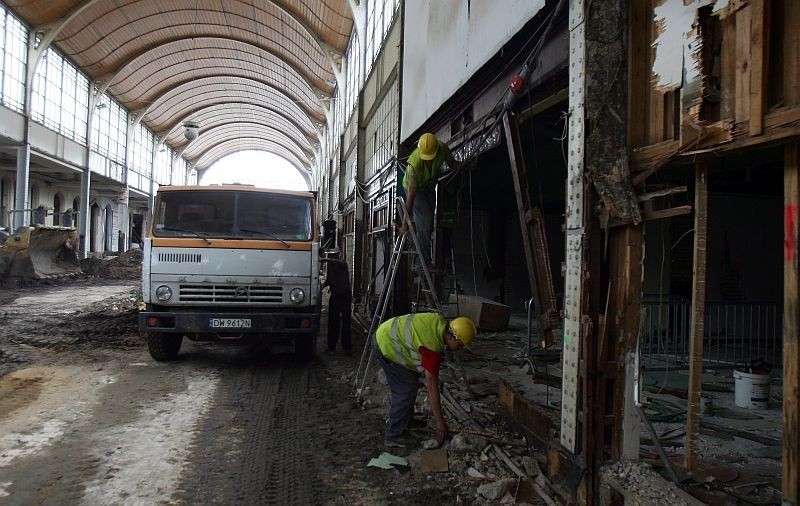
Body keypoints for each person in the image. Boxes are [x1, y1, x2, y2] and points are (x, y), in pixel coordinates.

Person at [375, 312, 477, 448]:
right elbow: (432, 387)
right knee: (405, 389)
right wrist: (440, 422)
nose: (462, 348)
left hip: (388, 334)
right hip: (385, 344)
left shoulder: (439, 321)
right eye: (462, 344)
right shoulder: (432, 348)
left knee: (411, 381)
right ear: (454, 338)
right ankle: (394, 435)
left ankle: (406, 420)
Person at [400, 133, 461, 270]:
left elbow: (452, 164)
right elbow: (411, 197)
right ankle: (420, 262)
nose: (428, 161)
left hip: (429, 187)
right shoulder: (413, 166)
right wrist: (405, 223)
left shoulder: (443, 149)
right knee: (425, 222)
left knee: (429, 224)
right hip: (414, 189)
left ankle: (421, 248)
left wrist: (465, 165)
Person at [320, 248, 352, 355]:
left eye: (334, 255)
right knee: (333, 322)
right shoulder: (330, 266)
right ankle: (331, 347)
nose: (332, 257)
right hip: (335, 296)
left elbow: (339, 262)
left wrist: (327, 260)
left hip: (345, 296)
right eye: (330, 255)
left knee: (346, 322)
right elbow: (329, 280)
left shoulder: (342, 263)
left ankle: (347, 348)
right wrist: (321, 287)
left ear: (338, 255)